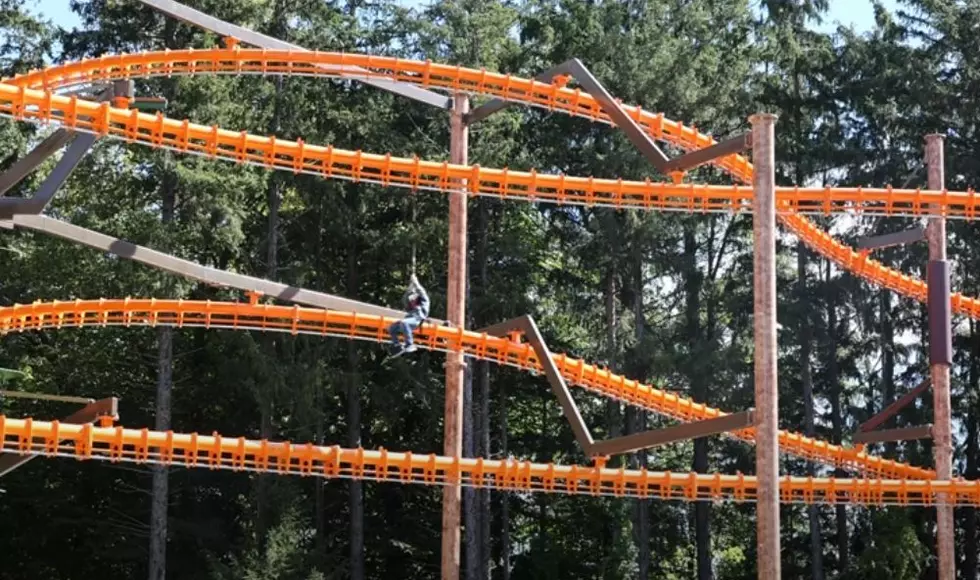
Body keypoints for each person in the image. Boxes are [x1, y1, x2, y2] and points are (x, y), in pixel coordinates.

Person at [389, 274, 429, 355]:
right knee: (391, 328)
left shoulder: (424, 301)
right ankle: (397, 345)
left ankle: (410, 344)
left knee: (404, 322)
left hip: (418, 320)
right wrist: (408, 289)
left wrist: (415, 282)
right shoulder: (410, 306)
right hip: (410, 320)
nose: (412, 301)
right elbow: (404, 301)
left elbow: (422, 292)